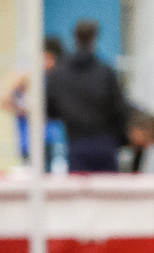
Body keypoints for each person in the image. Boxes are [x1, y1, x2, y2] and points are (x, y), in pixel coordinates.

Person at [47, 19, 131, 174]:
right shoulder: (106, 72)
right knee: (107, 194)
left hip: (76, 143)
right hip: (105, 144)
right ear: (94, 38)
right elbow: (120, 108)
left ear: (75, 38)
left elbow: (50, 109)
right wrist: (120, 140)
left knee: (79, 196)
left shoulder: (59, 74)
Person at [0, 37, 63, 166]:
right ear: (46, 56)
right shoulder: (26, 74)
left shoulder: (50, 76)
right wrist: (24, 110)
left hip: (49, 138)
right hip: (33, 140)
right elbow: (2, 97)